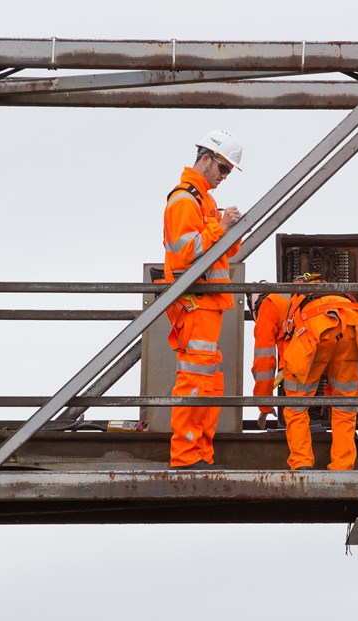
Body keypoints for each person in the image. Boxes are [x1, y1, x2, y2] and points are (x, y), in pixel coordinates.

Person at [162, 129, 243, 470]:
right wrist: (219, 228)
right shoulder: (184, 199)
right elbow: (184, 255)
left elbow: (218, 252)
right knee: (194, 382)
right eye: (222, 169)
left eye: (227, 172)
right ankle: (185, 455)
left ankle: (201, 454)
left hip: (209, 307)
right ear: (206, 159)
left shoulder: (204, 200)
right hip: (195, 306)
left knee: (210, 386)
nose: (224, 177)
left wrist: (231, 231)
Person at [272, 274, 358, 471]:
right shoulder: (337, 293)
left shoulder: (284, 301)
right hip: (354, 329)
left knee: (296, 403)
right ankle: (343, 467)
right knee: (345, 405)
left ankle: (302, 463)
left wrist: (264, 403)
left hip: (316, 329)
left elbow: (282, 346)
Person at [247, 287, 291, 431]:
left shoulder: (268, 305)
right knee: (344, 410)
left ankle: (301, 455)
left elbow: (264, 362)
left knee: (296, 411)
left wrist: (264, 404)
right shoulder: (291, 296)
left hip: (300, 359)